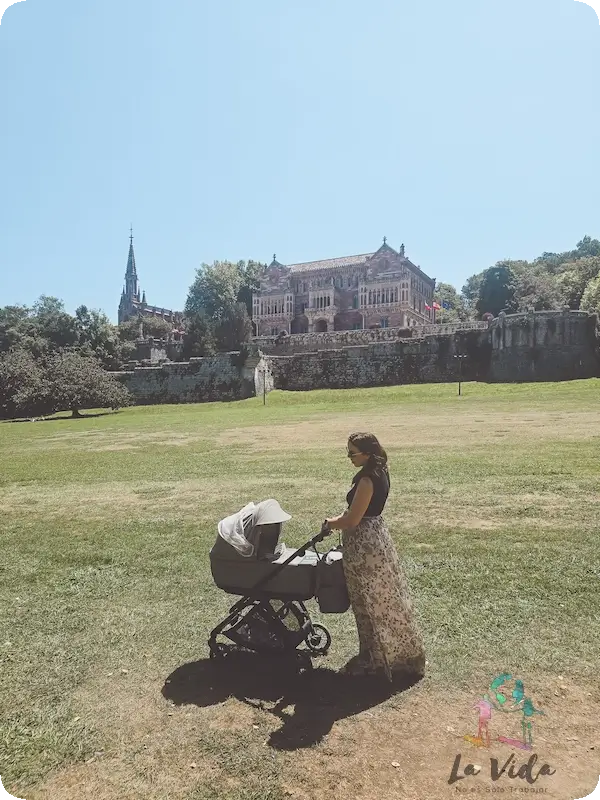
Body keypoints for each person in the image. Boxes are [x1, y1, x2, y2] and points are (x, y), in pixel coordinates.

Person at [323, 432, 426, 682]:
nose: (349, 457)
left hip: (364, 546)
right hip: (376, 538)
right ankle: (386, 653)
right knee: (384, 598)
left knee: (369, 602)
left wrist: (330, 523)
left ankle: (378, 659)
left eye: (352, 453)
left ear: (367, 454)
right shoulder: (381, 471)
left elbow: (352, 519)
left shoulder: (367, 480)